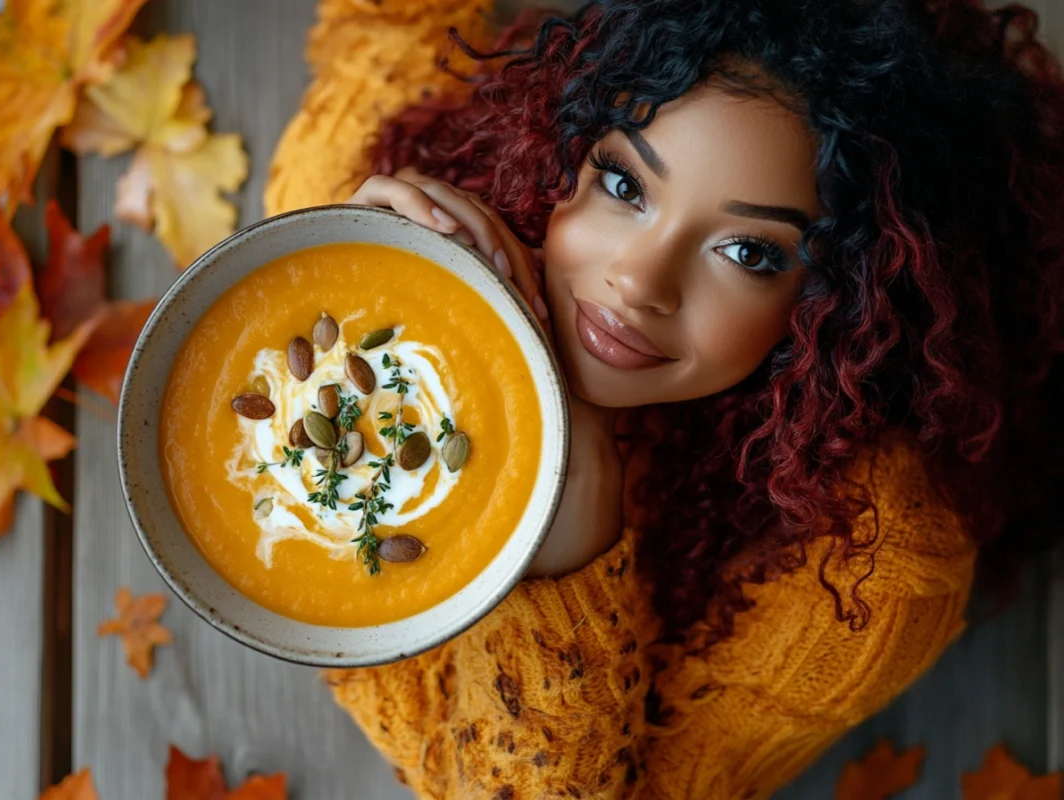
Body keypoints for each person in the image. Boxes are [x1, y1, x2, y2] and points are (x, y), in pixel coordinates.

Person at [266, 0, 1064, 796]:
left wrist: (573, 495)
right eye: (623, 182)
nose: (638, 282)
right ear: (563, 151)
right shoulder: (368, 180)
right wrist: (348, 256)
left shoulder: (868, 572)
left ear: (844, 303)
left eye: (748, 251)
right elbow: (378, 28)